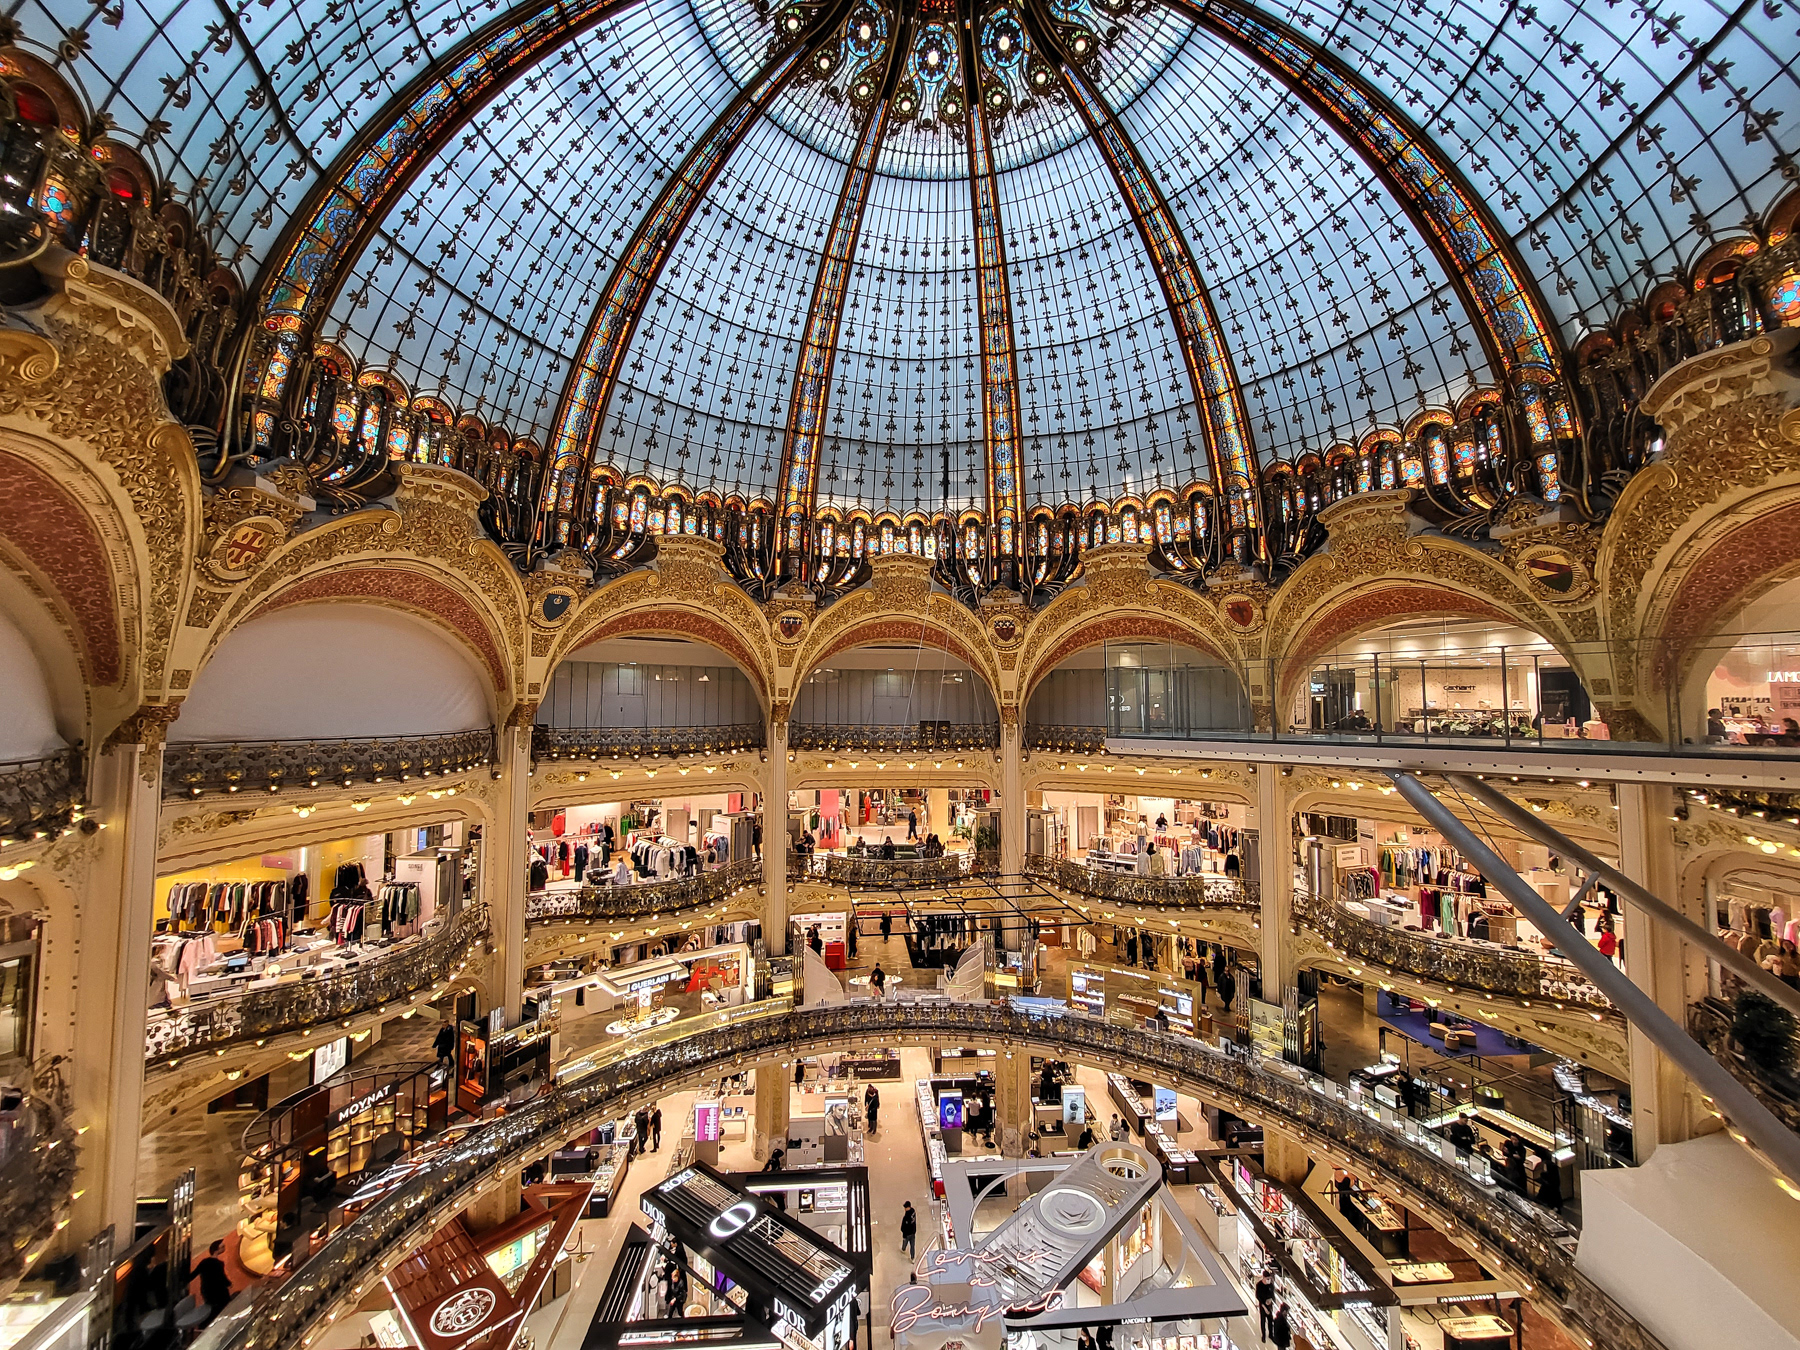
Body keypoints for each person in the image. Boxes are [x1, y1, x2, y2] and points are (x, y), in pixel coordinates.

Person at [192, 1239, 233, 1322]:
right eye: (222, 1246)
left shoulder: (204, 1262)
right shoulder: (218, 1264)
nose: (224, 1247)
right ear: (217, 1250)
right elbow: (221, 1277)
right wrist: (229, 1284)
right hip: (218, 1292)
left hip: (206, 1292)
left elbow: (193, 1274)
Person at [1253, 1268, 1276, 1343]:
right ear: (1264, 1277)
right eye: (1267, 1278)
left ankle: (1271, 1335)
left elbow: (1272, 1294)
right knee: (1263, 1321)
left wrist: (1271, 1301)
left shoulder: (1270, 1285)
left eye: (1269, 1278)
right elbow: (1258, 1296)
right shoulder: (1259, 1285)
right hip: (1263, 1306)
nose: (1269, 1280)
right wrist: (1264, 1307)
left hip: (1269, 1306)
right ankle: (1263, 1335)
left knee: (1270, 1320)